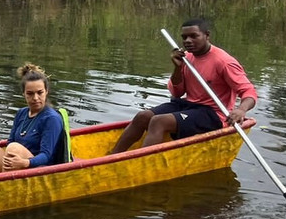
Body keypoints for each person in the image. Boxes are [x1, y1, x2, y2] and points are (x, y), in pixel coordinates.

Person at [109, 18, 257, 154]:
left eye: (193, 36)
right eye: (184, 37)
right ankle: (112, 157)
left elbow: (249, 92)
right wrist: (177, 68)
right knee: (143, 116)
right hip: (188, 105)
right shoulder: (186, 58)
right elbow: (177, 93)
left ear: (207, 35)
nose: (188, 41)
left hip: (213, 113)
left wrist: (241, 110)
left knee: (159, 121)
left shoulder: (224, 62)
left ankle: (141, 164)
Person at [0, 64, 66, 176]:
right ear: (23, 94)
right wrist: (14, 160)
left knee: (13, 148)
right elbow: (10, 142)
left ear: (46, 91)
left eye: (40, 92)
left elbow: (46, 155)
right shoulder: (21, 113)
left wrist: (25, 162)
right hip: (15, 163)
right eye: (30, 94)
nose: (35, 98)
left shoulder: (51, 118)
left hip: (39, 170)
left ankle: (2, 183)